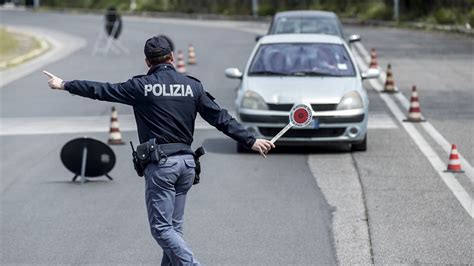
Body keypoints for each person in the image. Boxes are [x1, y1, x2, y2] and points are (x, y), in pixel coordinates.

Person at [43, 35, 275, 265]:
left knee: (161, 229)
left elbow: (101, 90)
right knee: (173, 230)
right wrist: (251, 140)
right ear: (172, 57)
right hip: (187, 166)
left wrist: (64, 84)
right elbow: (220, 118)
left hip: (163, 167)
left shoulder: (140, 86)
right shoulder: (193, 86)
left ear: (147, 62)